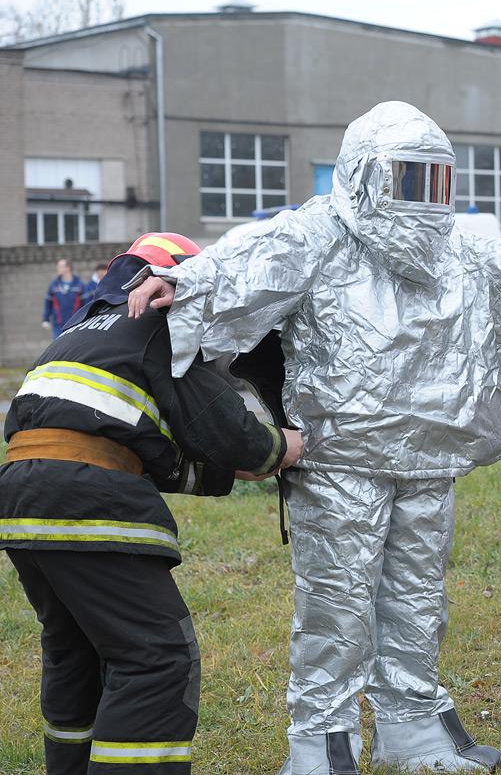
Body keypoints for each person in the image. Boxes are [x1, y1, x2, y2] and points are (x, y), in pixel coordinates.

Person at [125, 101, 501, 775]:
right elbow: (245, 266)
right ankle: (321, 744)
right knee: (338, 605)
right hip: (340, 460)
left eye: (435, 181)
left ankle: (411, 729)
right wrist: (181, 283)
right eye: (408, 179)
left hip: (427, 457)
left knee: (417, 597)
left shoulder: (455, 245)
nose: (424, 198)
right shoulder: (319, 233)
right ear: (367, 175)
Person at [1, 232, 304, 775]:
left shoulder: (80, 332)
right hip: (84, 502)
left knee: (74, 652)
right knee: (156, 659)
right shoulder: (163, 324)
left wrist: (220, 471)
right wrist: (280, 447)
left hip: (22, 498)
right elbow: (224, 425)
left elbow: (126, 443)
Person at [43, 258, 86, 338]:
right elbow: (48, 304)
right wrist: (46, 319)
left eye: (60, 266)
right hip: (58, 325)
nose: (57, 268)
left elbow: (86, 304)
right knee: (58, 349)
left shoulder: (79, 285)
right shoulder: (54, 285)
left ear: (68, 268)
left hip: (75, 324)